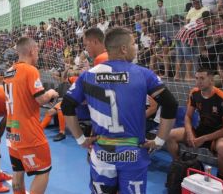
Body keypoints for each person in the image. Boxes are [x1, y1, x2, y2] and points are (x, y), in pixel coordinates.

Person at [61, 27, 177, 194]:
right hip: (133, 154)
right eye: (133, 43)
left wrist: (80, 139)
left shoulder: (87, 76)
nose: (135, 47)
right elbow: (170, 104)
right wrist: (159, 141)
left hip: (102, 154)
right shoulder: (143, 74)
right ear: (123, 48)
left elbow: (67, 105)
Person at [3, 37, 59, 194]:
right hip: (29, 132)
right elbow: (41, 99)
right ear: (32, 50)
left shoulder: (8, 72)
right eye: (37, 52)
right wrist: (51, 92)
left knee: (18, 172)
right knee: (43, 171)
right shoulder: (30, 70)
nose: (38, 55)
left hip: (12, 132)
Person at [167, 68, 223, 183]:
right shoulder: (194, 93)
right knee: (170, 135)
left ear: (211, 80)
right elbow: (188, 116)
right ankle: (178, 165)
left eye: (202, 78)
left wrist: (204, 138)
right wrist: (190, 133)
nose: (198, 81)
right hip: (201, 130)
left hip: (218, 134)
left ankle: (221, 179)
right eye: (196, 78)